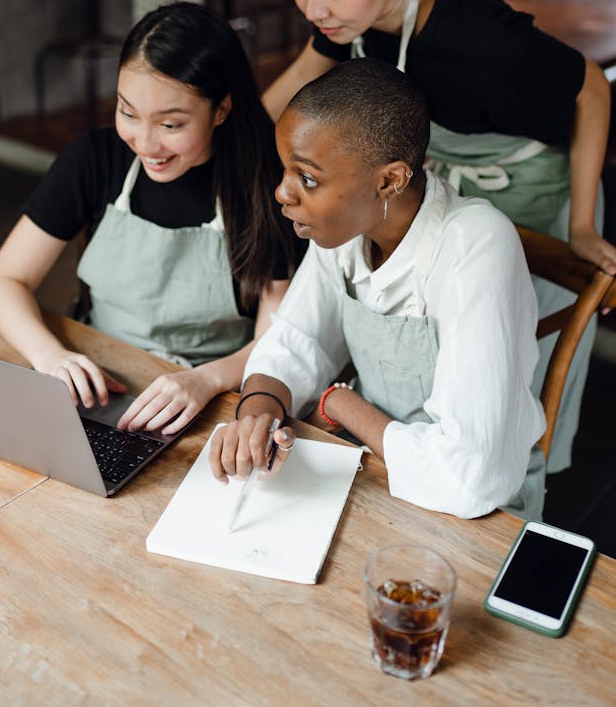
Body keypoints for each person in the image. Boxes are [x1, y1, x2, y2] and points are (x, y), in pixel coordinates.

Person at [259, 0, 616, 474]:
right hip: (439, 177)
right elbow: (290, 91)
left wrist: (582, 224)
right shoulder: (351, 15)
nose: (313, 9)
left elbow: (590, 85)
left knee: (499, 367)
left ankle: (508, 487)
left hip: (525, 179)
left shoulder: (481, 42)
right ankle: (414, 450)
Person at [210, 58, 546, 521]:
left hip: (482, 520)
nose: (282, 193)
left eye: (307, 178)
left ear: (390, 179)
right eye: (285, 169)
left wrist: (342, 404)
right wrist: (257, 412)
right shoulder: (344, 227)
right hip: (376, 474)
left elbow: (467, 479)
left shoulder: (476, 245)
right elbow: (295, 341)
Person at [0, 2, 302, 434]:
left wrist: (205, 380)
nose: (145, 143)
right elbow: (4, 280)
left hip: (209, 397)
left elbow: (274, 340)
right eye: (128, 113)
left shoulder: (267, 186)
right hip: (95, 377)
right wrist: (51, 357)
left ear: (221, 110)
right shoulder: (95, 158)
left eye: (170, 124)